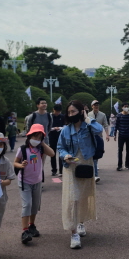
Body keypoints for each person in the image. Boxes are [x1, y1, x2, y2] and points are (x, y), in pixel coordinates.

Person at [57, 100, 103, 249]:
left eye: (73, 112)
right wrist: (65, 156)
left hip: (86, 164)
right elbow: (60, 147)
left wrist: (87, 118)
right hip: (71, 166)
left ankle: (81, 222)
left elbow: (99, 129)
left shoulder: (88, 127)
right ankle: (74, 233)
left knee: (84, 195)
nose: (70, 115)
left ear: (81, 112)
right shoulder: (65, 130)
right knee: (72, 198)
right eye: (68, 112)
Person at [13, 124, 55, 244]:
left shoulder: (40, 149)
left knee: (35, 205)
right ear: (29, 136)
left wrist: (42, 143)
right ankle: (24, 230)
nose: (36, 139)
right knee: (27, 204)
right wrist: (21, 165)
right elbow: (15, 163)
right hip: (25, 181)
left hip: (37, 181)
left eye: (39, 137)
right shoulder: (22, 149)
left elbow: (52, 153)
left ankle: (32, 225)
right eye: (34, 137)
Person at [88, 99, 110, 182]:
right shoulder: (88, 114)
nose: (96, 106)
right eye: (94, 105)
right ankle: (95, 174)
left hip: (98, 137)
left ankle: (95, 169)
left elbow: (106, 125)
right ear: (92, 106)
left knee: (97, 154)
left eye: (97, 105)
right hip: (90, 137)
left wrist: (107, 135)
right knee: (92, 155)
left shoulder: (103, 115)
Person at [114, 102, 129, 171]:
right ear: (122, 107)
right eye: (125, 106)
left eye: (127, 106)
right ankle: (119, 165)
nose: (126, 107)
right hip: (121, 135)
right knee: (120, 150)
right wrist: (115, 134)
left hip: (128, 135)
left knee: (128, 150)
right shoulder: (119, 115)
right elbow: (116, 125)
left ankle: (127, 165)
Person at [49, 104, 65, 176]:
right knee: (52, 153)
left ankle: (61, 170)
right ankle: (54, 170)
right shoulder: (50, 117)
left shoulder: (62, 117)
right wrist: (53, 128)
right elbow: (47, 126)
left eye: (58, 111)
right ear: (53, 110)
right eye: (56, 111)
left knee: (61, 154)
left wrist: (60, 128)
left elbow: (65, 126)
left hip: (60, 136)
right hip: (52, 136)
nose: (57, 113)